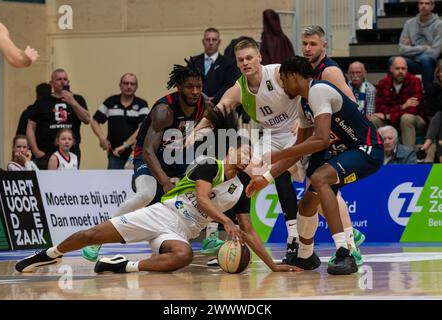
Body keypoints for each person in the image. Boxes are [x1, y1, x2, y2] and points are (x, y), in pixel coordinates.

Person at [15, 122, 301, 274]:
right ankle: (50, 254)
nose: (247, 157)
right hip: (162, 214)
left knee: (184, 256)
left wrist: (272, 265)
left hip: (180, 232)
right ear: (230, 152)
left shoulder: (240, 189)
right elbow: (202, 200)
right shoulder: (210, 164)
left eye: (251, 155)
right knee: (92, 234)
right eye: (243, 151)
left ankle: (123, 266)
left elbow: (248, 229)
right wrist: (226, 222)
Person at [246, 56, 384, 275]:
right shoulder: (303, 103)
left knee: (319, 178)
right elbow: (301, 147)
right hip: (344, 152)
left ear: (294, 76)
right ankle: (306, 256)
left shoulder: (318, 91)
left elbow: (321, 140)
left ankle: (344, 252)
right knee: (306, 206)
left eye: (283, 80)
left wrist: (279, 152)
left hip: (367, 149)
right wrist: (266, 178)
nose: (282, 85)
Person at [81, 59, 208, 262]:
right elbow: (149, 151)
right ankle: (98, 239)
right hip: (147, 156)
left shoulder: (204, 103)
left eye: (198, 86)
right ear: (178, 87)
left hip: (176, 155)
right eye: (189, 87)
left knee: (206, 177)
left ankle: (210, 237)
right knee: (146, 195)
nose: (195, 91)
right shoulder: (163, 110)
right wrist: (165, 182)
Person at [193, 38, 301, 264]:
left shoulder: (278, 72)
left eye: (249, 57)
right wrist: (194, 132)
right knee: (241, 178)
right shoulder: (239, 88)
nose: (245, 62)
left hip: (297, 131)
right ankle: (223, 235)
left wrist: (305, 118)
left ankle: (339, 233)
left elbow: (308, 89)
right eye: (241, 60)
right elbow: (218, 111)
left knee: (311, 183)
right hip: (270, 136)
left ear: (259, 57)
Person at [300, 25, 366, 265]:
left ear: (324, 46)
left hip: (338, 138)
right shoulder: (307, 70)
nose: (308, 48)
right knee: (314, 188)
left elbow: (349, 103)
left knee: (320, 185)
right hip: (324, 136)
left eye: (313, 44)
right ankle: (351, 234)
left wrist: (332, 131)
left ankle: (350, 244)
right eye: (305, 43)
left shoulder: (329, 72)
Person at [26, 68, 90, 169]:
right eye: (59, 79)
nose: (62, 81)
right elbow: (30, 126)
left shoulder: (78, 99)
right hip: (45, 153)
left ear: (68, 82)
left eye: (65, 79)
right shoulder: (42, 101)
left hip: (71, 152)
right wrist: (35, 150)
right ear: (51, 83)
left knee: (70, 183)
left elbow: (87, 119)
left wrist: (73, 102)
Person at [90, 73, 149, 169]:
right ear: (120, 85)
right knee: (112, 183)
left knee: (134, 183)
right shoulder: (111, 102)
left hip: (134, 154)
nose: (129, 86)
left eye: (132, 84)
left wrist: (125, 145)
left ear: (136, 87)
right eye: (126, 83)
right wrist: (102, 139)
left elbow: (143, 127)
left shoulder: (142, 104)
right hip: (114, 154)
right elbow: (94, 121)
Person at [373, 56, 426, 149]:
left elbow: (412, 110)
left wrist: (388, 115)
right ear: (391, 69)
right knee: (374, 119)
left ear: (407, 69)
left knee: (406, 118)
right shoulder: (383, 83)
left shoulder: (415, 81)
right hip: (392, 119)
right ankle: (377, 155)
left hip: (415, 120)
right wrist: (402, 107)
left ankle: (408, 157)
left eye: (403, 68)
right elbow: (380, 108)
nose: (401, 71)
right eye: (397, 68)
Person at [398, 0, 442, 92]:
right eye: (421, 3)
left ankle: (428, 95)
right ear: (418, 5)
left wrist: (411, 48)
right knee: (394, 61)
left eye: (427, 3)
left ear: (432, 6)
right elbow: (402, 49)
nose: (423, 6)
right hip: (413, 62)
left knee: (425, 60)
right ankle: (396, 96)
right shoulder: (409, 23)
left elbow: (434, 52)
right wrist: (424, 47)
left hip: (431, 63)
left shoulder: (439, 25)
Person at [191, 27, 239, 104]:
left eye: (214, 39)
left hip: (219, 105)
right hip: (195, 104)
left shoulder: (229, 63)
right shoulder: (193, 61)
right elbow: (186, 82)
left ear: (219, 42)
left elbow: (230, 85)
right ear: (203, 42)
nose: (210, 43)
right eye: (208, 39)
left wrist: (214, 98)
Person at [418, 60, 442, 162]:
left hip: (437, 122)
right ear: (438, 73)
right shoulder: (432, 89)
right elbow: (429, 110)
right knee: (439, 117)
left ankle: (425, 147)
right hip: (434, 120)